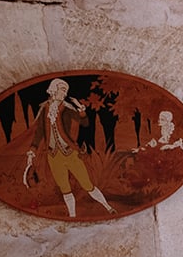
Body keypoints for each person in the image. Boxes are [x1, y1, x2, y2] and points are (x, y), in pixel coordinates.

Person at [26, 78, 116, 218]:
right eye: (62, 90)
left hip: (71, 153)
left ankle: (108, 207)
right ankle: (72, 216)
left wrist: (81, 110)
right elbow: (39, 133)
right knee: (65, 189)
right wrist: (32, 150)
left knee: (87, 184)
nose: (65, 93)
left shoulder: (67, 109)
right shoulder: (45, 109)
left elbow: (85, 123)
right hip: (53, 156)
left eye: (66, 91)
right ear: (54, 90)